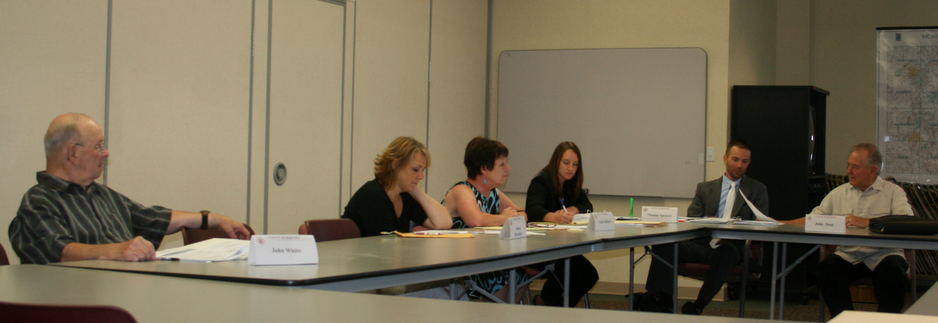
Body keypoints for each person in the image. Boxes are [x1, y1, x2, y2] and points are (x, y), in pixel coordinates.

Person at [9, 113, 251, 265]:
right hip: (78, 305)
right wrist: (115, 251)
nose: (106, 153)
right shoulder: (39, 200)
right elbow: (59, 251)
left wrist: (214, 220)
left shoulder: (102, 194)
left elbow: (152, 218)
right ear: (73, 152)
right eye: (99, 146)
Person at [639, 139, 769, 314]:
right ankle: (662, 301)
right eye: (735, 159)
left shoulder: (757, 189)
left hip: (732, 247)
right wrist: (708, 221)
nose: (739, 165)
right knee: (664, 245)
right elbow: (692, 219)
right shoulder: (705, 188)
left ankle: (698, 305)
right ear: (725, 158)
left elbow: (760, 225)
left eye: (744, 161)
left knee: (727, 252)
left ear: (749, 163)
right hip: (702, 243)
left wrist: (734, 231)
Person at [783, 143, 912, 317]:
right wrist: (780, 224)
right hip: (850, 255)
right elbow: (814, 219)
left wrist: (867, 222)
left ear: (872, 170)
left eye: (855, 167)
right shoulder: (839, 193)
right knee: (827, 269)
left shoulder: (893, 192)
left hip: (885, 254)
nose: (849, 171)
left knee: (894, 271)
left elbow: (905, 222)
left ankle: (886, 320)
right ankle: (845, 319)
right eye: (848, 166)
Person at [443, 136, 529, 303]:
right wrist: (504, 218)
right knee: (498, 279)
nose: (507, 168)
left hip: (485, 256)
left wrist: (513, 216)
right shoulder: (462, 190)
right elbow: (475, 219)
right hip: (460, 260)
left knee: (520, 276)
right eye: (502, 164)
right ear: (484, 168)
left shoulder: (493, 192)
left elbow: (523, 213)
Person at [524, 141, 599, 307]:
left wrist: (573, 208)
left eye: (575, 164)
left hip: (562, 247)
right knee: (572, 271)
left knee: (589, 274)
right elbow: (532, 210)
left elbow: (588, 207)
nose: (570, 168)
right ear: (556, 161)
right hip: (539, 247)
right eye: (566, 163)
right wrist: (552, 217)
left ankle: (549, 304)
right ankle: (553, 308)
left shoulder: (571, 183)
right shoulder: (541, 181)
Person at [341, 136, 453, 237]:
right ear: (395, 164)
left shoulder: (404, 196)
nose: (421, 177)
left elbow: (444, 223)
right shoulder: (372, 195)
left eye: (422, 171)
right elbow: (386, 243)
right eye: (415, 170)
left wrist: (416, 191)